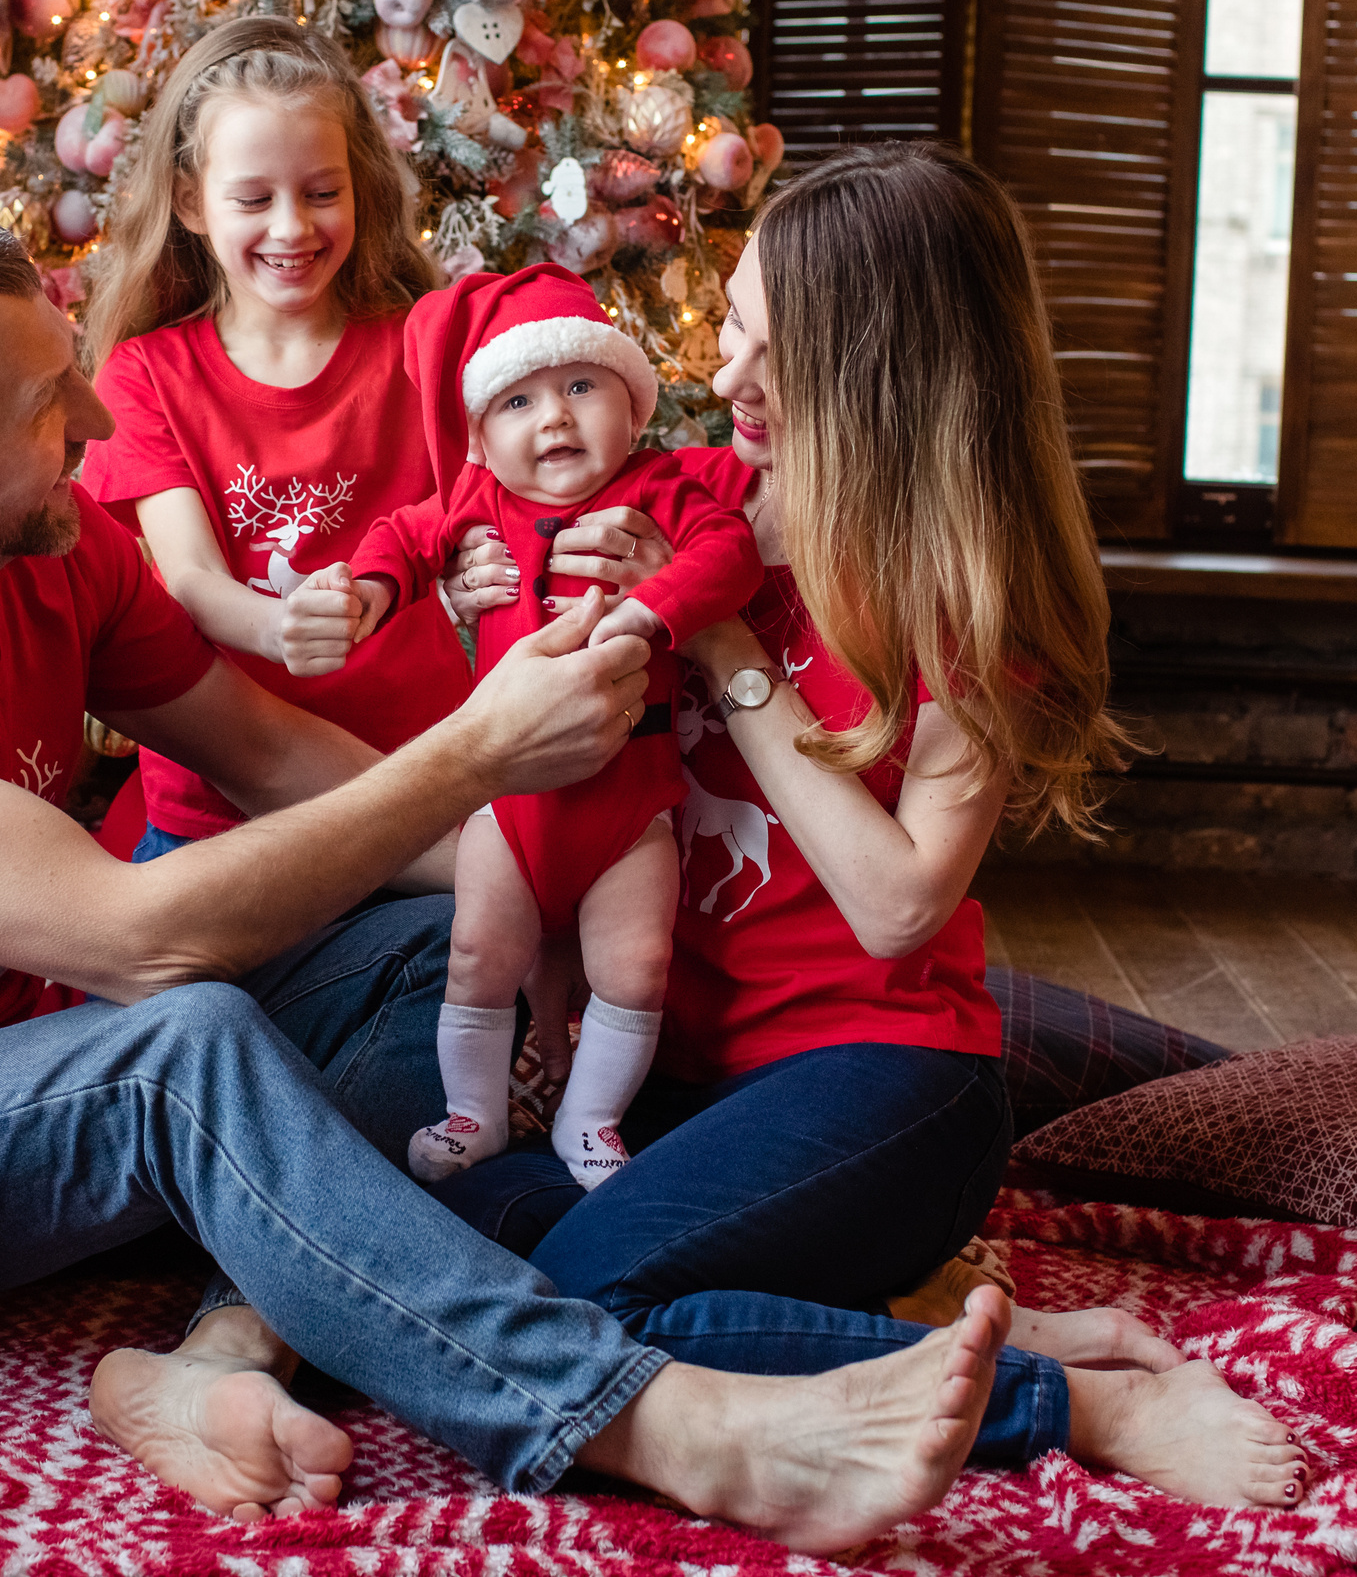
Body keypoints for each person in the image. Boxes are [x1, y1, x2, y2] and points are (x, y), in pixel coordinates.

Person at [0, 197, 1026, 1557]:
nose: (99, 426)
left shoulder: (53, 553)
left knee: (435, 931)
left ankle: (222, 1343)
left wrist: (514, 871)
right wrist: (478, 751)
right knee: (180, 1046)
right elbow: (138, 939)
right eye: (46, 410)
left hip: (18, 1059)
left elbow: (283, 758)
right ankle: (658, 1419)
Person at [428, 144, 1312, 1509]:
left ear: (881, 383)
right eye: (729, 328)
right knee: (454, 1216)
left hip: (884, 1076)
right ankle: (907, 1310)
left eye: (774, 356)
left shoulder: (962, 595)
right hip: (680, 1067)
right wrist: (489, 582)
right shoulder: (685, 502)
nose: (725, 384)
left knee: (580, 1301)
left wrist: (721, 633)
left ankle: (1067, 1395)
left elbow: (897, 903)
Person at [326, 267, 761, 1189]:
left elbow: (729, 555)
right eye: (518, 399)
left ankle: (591, 1122)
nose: (554, 418)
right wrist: (369, 589)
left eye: (579, 386)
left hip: (630, 800)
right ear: (481, 435)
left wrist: (653, 611)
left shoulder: (662, 487)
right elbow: (401, 537)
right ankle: (473, 1113)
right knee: (479, 954)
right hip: (510, 804)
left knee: (636, 965)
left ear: (632, 404)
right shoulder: (479, 505)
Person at [78, 17, 472, 860]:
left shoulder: (423, 346)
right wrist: (278, 627)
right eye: (254, 200)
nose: (292, 229)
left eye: (322, 193)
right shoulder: (145, 375)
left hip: (414, 776)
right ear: (190, 202)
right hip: (224, 802)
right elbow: (187, 577)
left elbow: (473, 517)